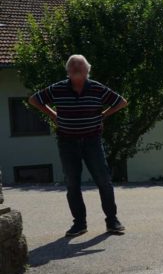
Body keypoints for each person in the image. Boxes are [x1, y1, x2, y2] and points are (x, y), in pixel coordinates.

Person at [28, 55, 128, 237]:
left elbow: (121, 102)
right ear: (67, 71)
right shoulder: (58, 88)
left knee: (104, 181)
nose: (76, 68)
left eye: (80, 66)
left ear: (87, 70)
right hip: (67, 142)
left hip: (92, 141)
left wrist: (104, 115)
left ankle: (112, 221)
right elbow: (34, 99)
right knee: (72, 184)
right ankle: (79, 224)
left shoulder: (97, 88)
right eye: (72, 66)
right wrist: (52, 114)